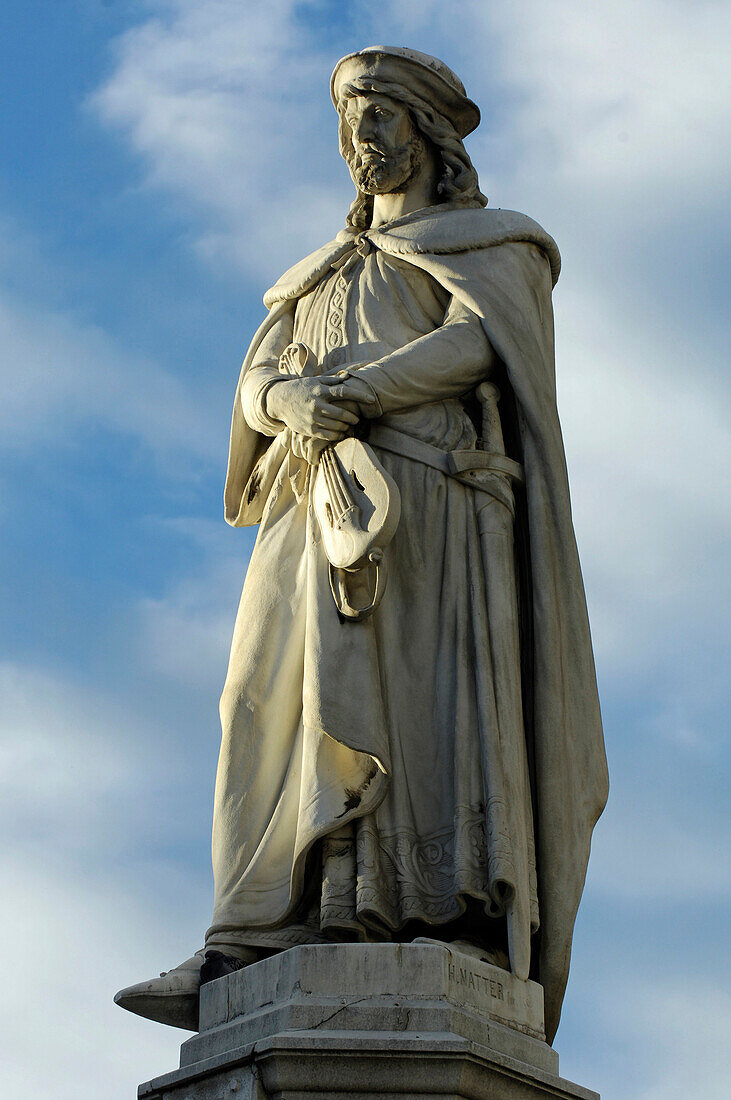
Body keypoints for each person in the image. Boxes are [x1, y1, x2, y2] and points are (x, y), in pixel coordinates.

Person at [115, 46, 608, 1045]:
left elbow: (480, 343)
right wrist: (289, 395)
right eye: (349, 122)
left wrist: (353, 393)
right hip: (311, 511)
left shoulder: (493, 246)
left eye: (380, 117)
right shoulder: (318, 273)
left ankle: (424, 912)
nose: (361, 139)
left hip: (431, 518)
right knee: (260, 702)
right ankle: (251, 928)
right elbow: (259, 378)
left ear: (426, 133)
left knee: (417, 709)